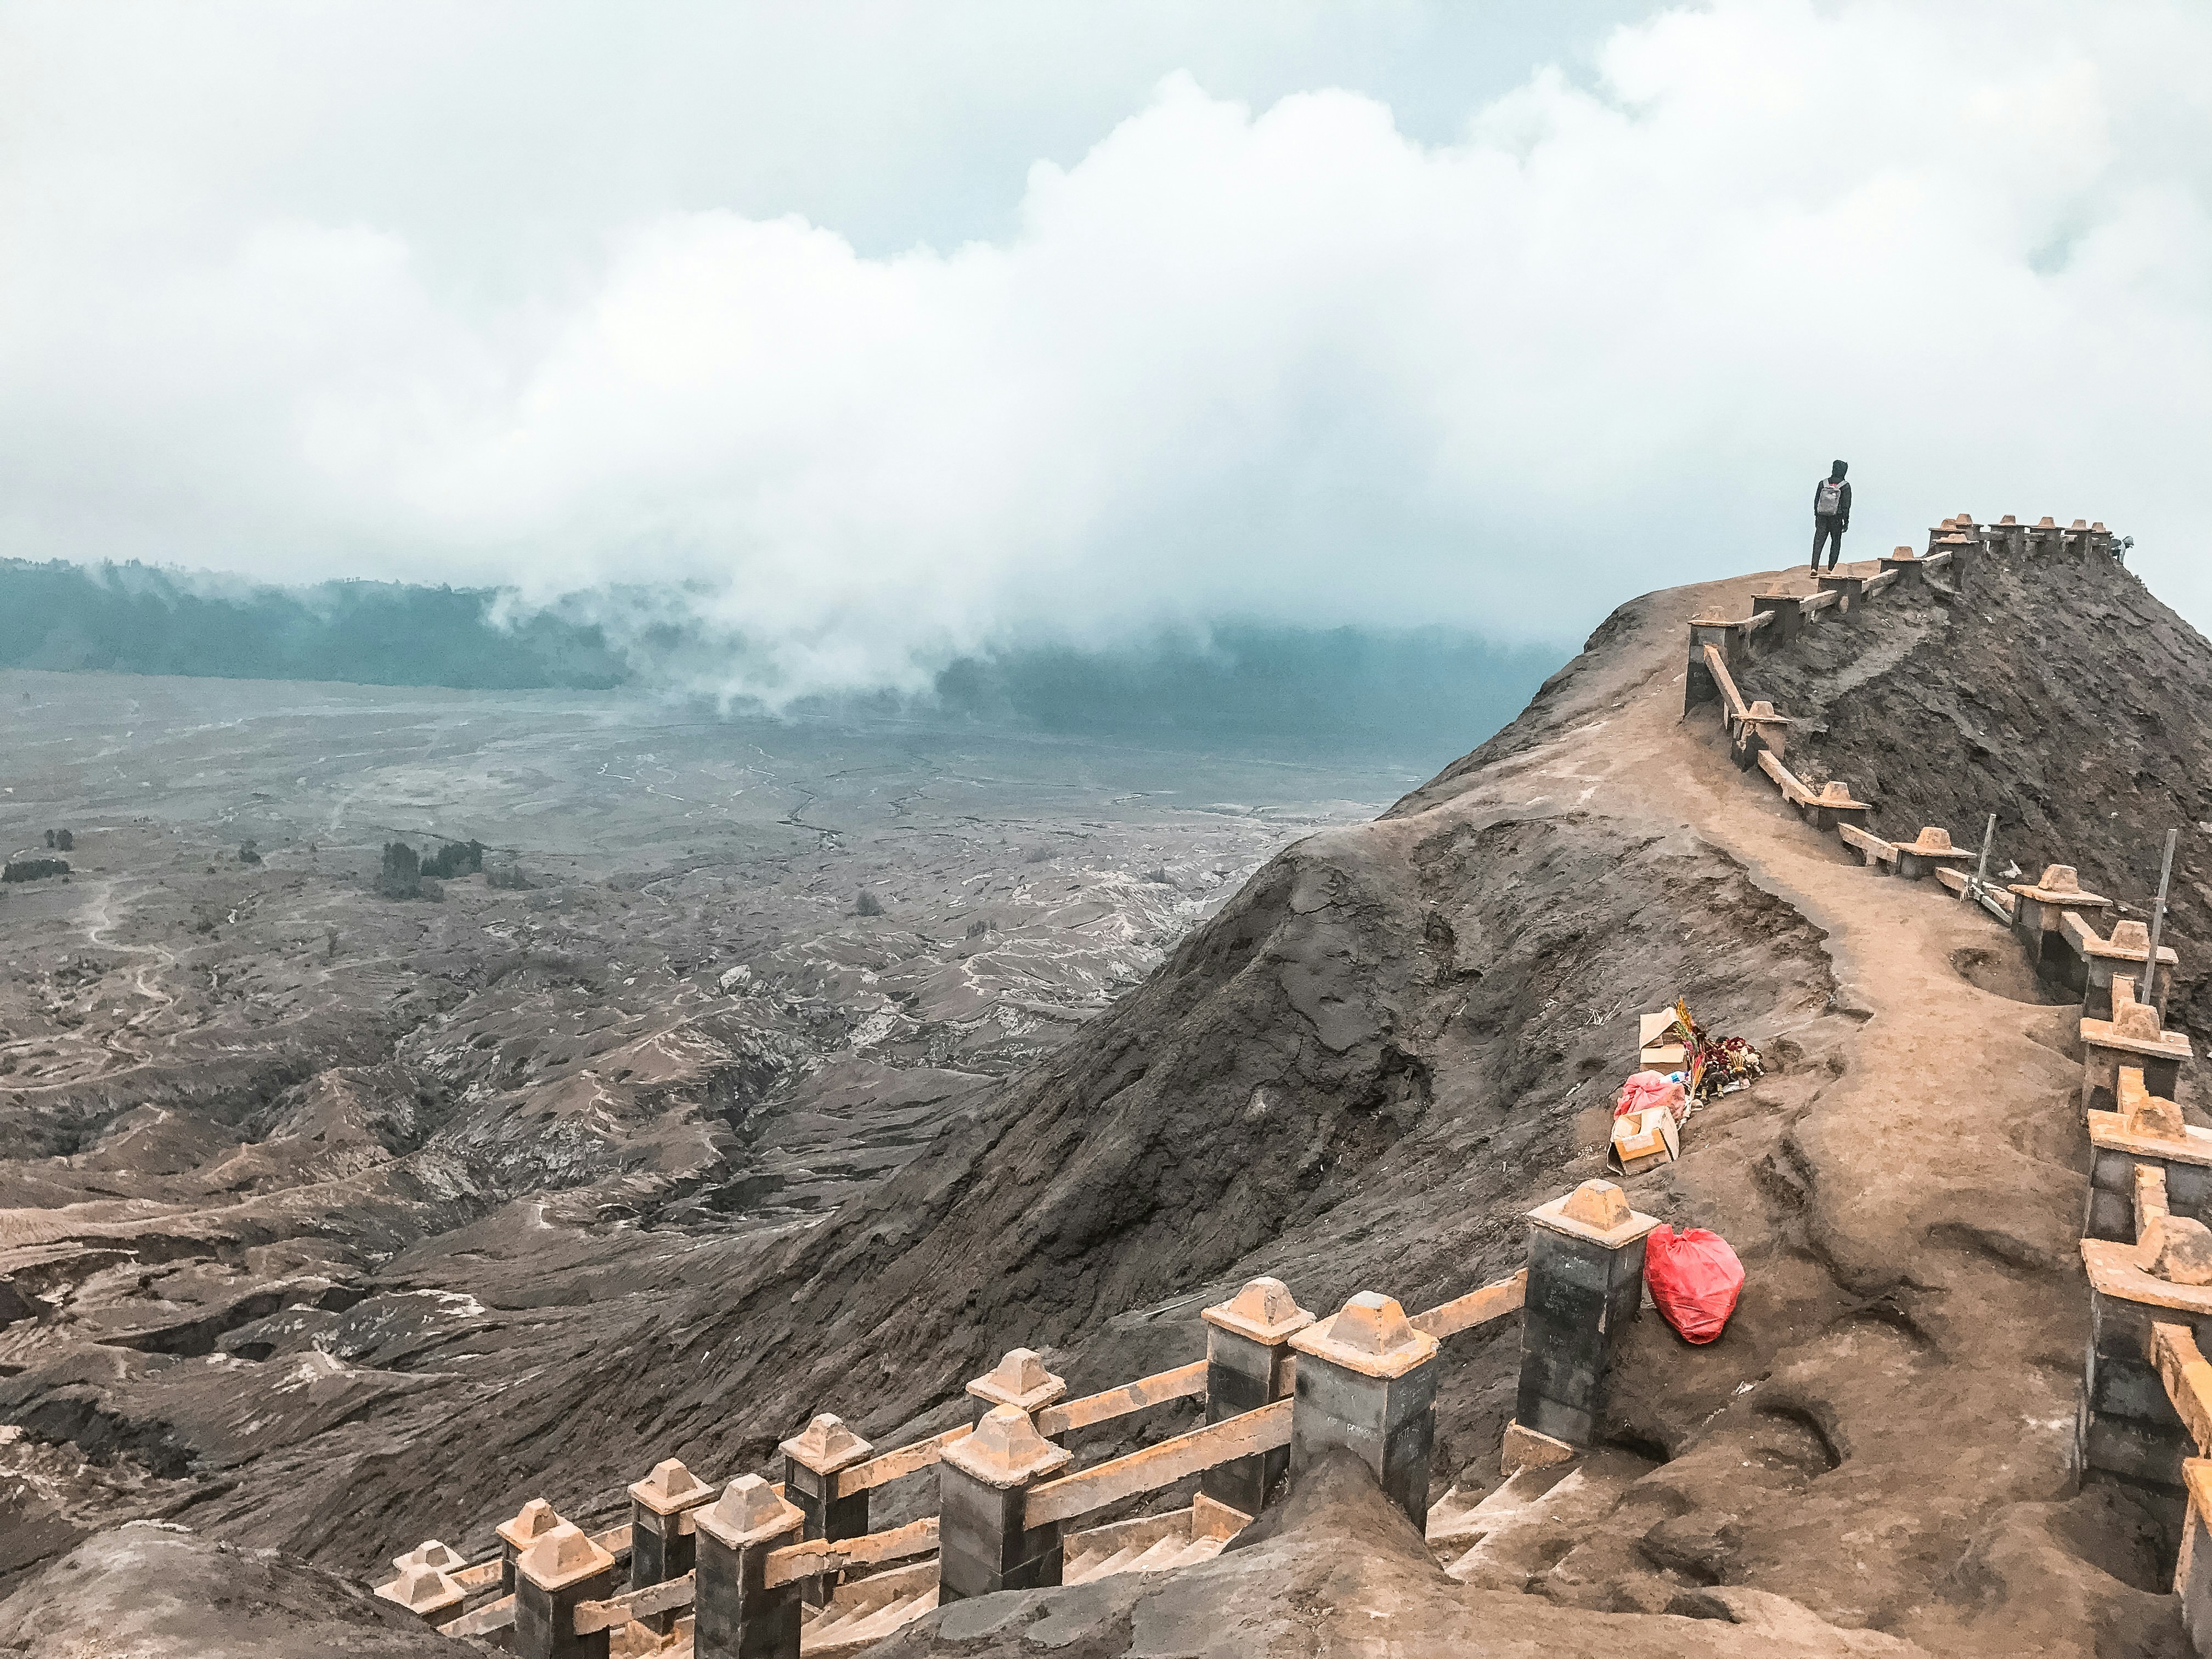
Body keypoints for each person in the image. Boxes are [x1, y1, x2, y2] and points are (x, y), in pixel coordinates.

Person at [1810, 460, 1851, 572]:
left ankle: (1814, 568)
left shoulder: (1823, 483)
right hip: (1836, 517)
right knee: (1836, 542)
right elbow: (1846, 505)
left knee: (1818, 541)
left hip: (1822, 516)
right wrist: (1846, 521)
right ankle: (1831, 568)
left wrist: (1816, 516)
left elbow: (1816, 501)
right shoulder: (1845, 486)